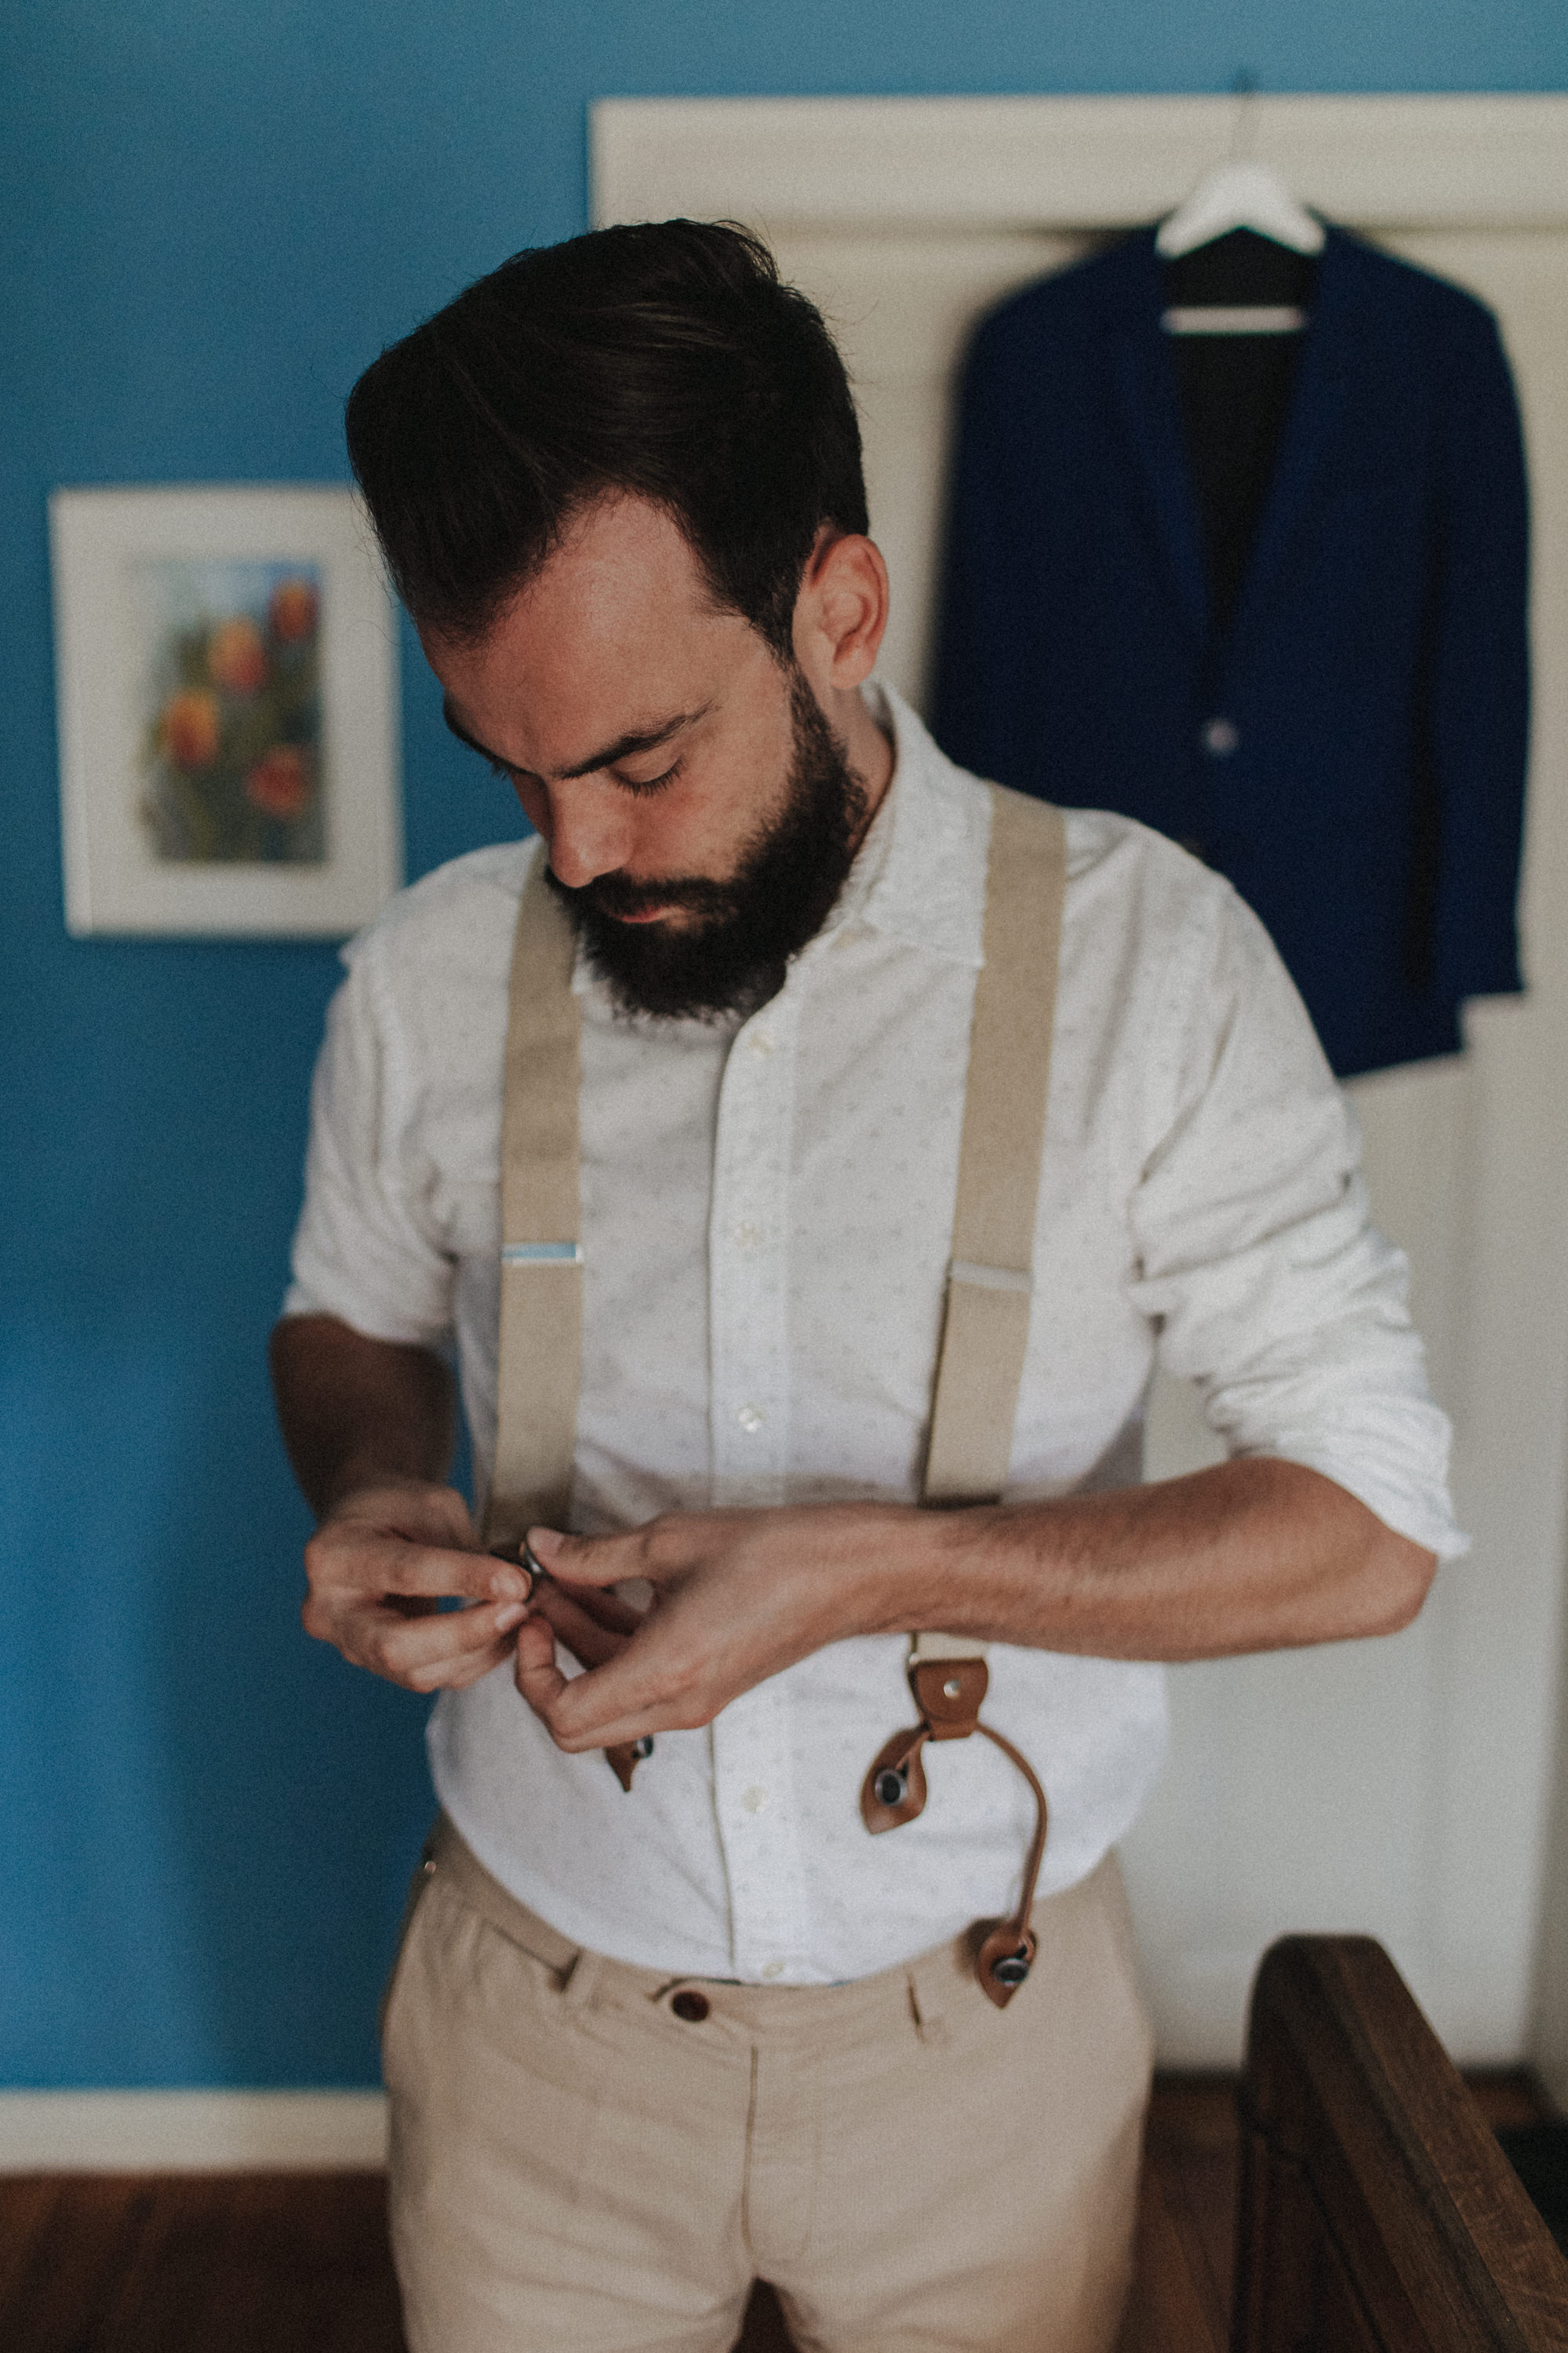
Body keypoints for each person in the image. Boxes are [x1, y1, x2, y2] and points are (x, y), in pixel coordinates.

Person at [271, 220, 1460, 2353]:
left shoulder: (1157, 971)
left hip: (979, 2049)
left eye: (640, 759)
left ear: (839, 607)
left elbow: (1370, 1535)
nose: (575, 859)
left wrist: (870, 1572)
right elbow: (348, 1317)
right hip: (527, 2026)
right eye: (509, 769)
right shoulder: (427, 979)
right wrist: (371, 1491)